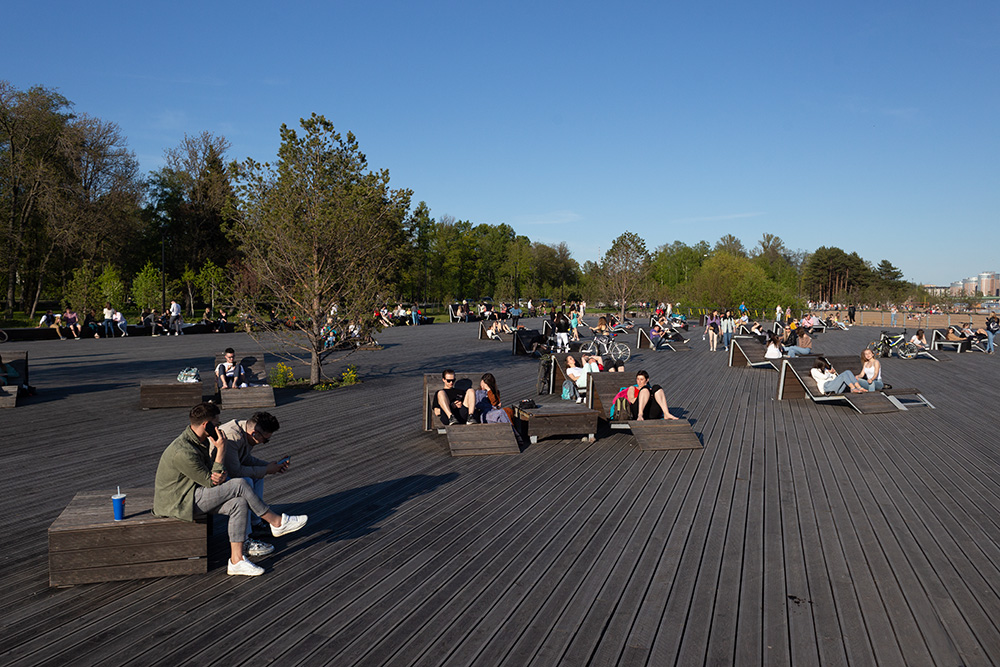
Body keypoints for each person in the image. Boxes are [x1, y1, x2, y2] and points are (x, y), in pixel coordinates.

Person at [152, 403, 308, 576]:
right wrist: (221, 449)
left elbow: (214, 476)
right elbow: (211, 482)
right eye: (216, 424)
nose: (219, 428)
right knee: (240, 484)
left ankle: (236, 560)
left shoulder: (199, 441)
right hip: (178, 502)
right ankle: (276, 522)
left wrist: (220, 473)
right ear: (206, 425)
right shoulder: (183, 451)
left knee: (239, 503)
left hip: (192, 491)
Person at [213, 411, 289, 555]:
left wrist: (268, 466)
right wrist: (266, 469)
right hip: (211, 479)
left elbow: (245, 459)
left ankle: (256, 523)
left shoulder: (246, 431)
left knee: (257, 476)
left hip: (225, 473)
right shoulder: (232, 437)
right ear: (255, 434)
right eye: (265, 440)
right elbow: (236, 471)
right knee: (245, 481)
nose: (264, 443)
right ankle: (246, 538)